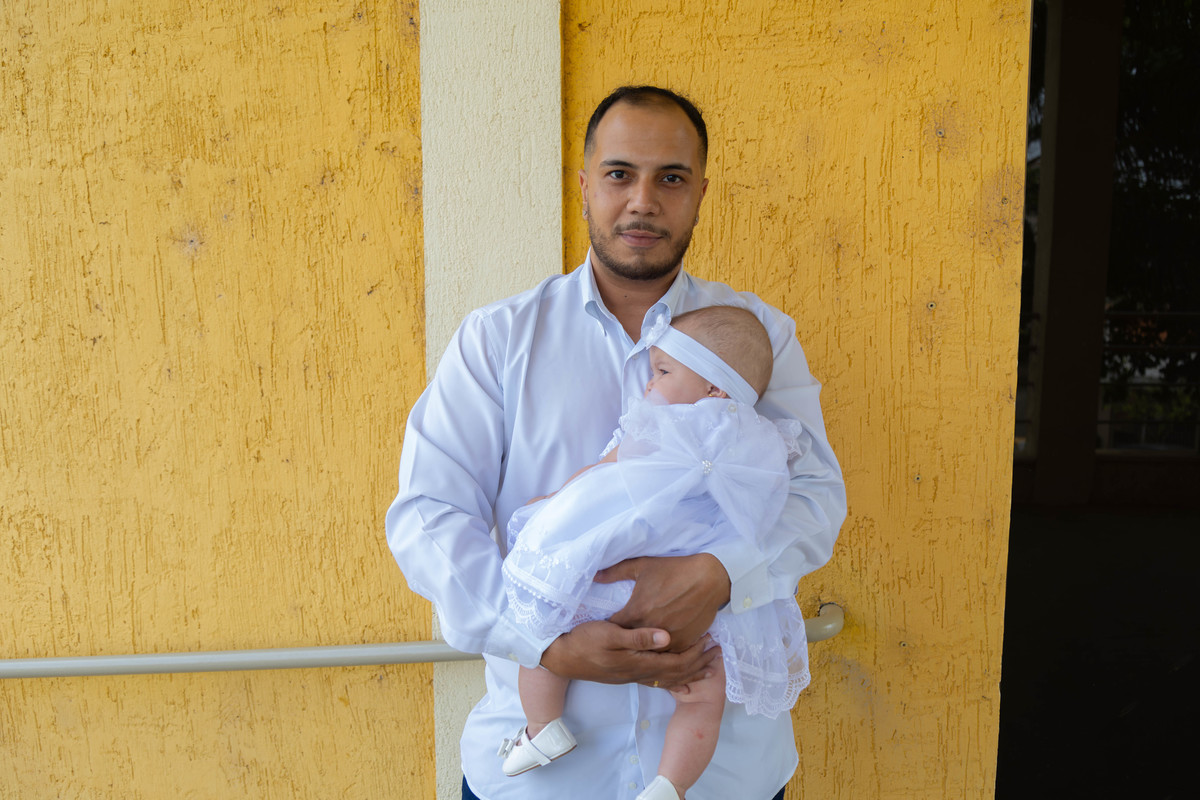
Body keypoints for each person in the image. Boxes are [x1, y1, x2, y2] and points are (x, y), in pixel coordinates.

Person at [386, 85, 846, 800]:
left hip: (723, 778)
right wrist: (545, 643)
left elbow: (813, 496)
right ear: (583, 186)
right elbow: (429, 515)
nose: (643, 201)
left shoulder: (759, 339)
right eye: (619, 174)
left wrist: (721, 574)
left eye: (672, 178)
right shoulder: (498, 340)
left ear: (700, 192)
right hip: (539, 787)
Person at [496, 306, 812, 800]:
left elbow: (601, 473)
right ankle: (672, 785)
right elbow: (782, 512)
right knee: (704, 697)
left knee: (541, 634)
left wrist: (552, 503)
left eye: (662, 371)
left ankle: (542, 728)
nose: (649, 384)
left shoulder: (657, 424)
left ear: (714, 388)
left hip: (616, 577)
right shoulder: (765, 441)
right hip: (713, 606)